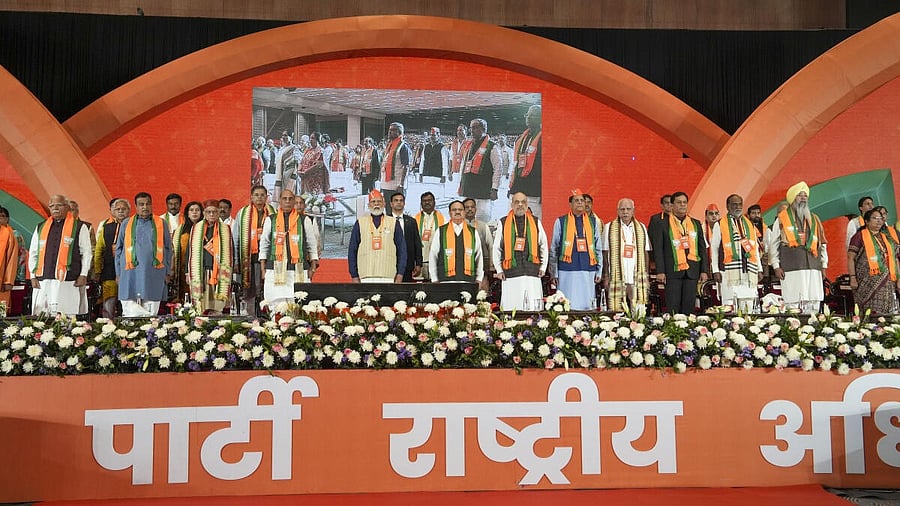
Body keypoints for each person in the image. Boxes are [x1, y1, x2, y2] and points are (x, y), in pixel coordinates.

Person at [768, 181, 828, 313]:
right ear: (792, 199)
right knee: (793, 301)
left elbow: (822, 245)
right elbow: (774, 244)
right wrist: (776, 266)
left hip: (813, 266)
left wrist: (824, 265)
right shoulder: (781, 219)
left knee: (813, 300)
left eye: (805, 195)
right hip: (791, 267)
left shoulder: (815, 219)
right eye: (799, 195)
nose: (803, 198)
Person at [28, 195, 92, 316]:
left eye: (59, 205)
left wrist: (83, 274)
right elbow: (33, 253)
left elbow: (87, 253)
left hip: (68, 279)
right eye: (52, 206)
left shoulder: (79, 227)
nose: (55, 208)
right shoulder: (41, 227)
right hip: (44, 278)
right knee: (42, 315)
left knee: (66, 315)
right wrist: (32, 275)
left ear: (67, 207)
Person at [115, 193, 173, 317]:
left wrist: (167, 272)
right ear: (136, 207)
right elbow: (119, 249)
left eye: (147, 204)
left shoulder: (161, 223)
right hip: (130, 273)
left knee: (151, 312)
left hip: (154, 272)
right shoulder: (126, 223)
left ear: (152, 205)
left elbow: (168, 249)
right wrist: (118, 273)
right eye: (141, 204)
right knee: (129, 307)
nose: (145, 207)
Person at [259, 190, 319, 309]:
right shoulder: (271, 220)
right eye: (284, 199)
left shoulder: (304, 220)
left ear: (294, 202)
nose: (287, 201)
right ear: (280, 201)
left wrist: (313, 267)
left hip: (299, 269)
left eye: (290, 199)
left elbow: (311, 245)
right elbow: (264, 245)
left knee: (298, 305)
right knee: (275, 306)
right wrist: (263, 269)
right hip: (274, 269)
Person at [651, 191, 708, 314]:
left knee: (689, 308)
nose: (682, 205)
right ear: (672, 206)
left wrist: (704, 270)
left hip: (692, 271)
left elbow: (702, 248)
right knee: (673, 308)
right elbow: (658, 249)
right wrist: (660, 271)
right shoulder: (661, 224)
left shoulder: (695, 223)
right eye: (679, 202)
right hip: (672, 272)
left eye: (684, 202)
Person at [492, 192, 548, 310]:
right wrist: (499, 269)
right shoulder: (503, 222)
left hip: (532, 272)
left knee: (533, 308)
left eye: (523, 202)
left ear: (527, 205)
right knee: (512, 307)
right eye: (517, 202)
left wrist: (543, 267)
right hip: (511, 273)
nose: (520, 205)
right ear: (512, 204)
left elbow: (543, 245)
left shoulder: (536, 221)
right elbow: (497, 248)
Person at [549, 190, 603, 310]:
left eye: (582, 201)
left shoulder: (593, 222)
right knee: (566, 304)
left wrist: (599, 270)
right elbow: (554, 248)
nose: (580, 203)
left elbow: (598, 248)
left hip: (588, 270)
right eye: (576, 200)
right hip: (566, 270)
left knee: (587, 305)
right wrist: (554, 273)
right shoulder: (560, 221)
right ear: (570, 204)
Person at [709, 194, 762, 311]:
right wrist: (716, 270)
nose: (738, 207)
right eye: (734, 204)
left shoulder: (749, 224)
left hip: (749, 270)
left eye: (740, 204)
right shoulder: (720, 224)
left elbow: (755, 249)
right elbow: (714, 249)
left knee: (749, 302)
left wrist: (759, 269)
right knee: (730, 304)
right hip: (728, 273)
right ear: (728, 206)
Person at [232, 185, 275, 316]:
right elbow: (236, 238)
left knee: (263, 289)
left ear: (266, 197)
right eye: (256, 195)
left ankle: (264, 315)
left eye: (262, 195)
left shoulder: (273, 213)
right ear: (251, 197)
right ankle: (248, 316)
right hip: (248, 257)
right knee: (247, 291)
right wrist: (236, 261)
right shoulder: (243, 213)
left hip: (266, 258)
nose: (259, 198)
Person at [602, 198, 651, 314]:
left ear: (633, 211)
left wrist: (646, 275)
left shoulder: (641, 228)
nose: (625, 212)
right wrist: (606, 276)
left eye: (628, 209)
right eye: (622, 209)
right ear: (617, 211)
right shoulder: (609, 227)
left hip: (636, 276)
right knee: (617, 312)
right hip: (616, 276)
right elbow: (605, 253)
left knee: (638, 310)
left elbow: (646, 252)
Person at [848, 209, 900, 314]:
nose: (878, 221)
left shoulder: (887, 238)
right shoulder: (859, 236)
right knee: (869, 312)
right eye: (875, 218)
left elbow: (895, 259)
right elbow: (850, 258)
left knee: (887, 313)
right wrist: (852, 277)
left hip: (888, 282)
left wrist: (899, 278)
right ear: (866, 221)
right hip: (865, 282)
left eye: (880, 218)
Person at [348, 190, 406, 283]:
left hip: (388, 275)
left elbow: (402, 250)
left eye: (379, 201)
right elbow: (352, 250)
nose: (376, 204)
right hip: (365, 275)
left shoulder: (394, 222)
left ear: (384, 204)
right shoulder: (360, 223)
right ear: (368, 205)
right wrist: (354, 275)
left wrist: (400, 274)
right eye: (373, 201)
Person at [186, 200, 233, 314]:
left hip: (219, 272)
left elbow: (231, 251)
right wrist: (187, 273)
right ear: (204, 213)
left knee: (217, 306)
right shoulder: (196, 228)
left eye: (214, 212)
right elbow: (189, 251)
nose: (211, 215)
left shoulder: (225, 229)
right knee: (202, 305)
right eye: (209, 212)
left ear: (218, 213)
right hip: (201, 272)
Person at [429, 200, 484, 284]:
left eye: (460, 209)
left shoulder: (473, 232)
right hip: (445, 281)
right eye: (454, 210)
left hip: (468, 281)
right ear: (450, 213)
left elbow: (479, 257)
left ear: (464, 212)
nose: (457, 212)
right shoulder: (441, 231)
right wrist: (434, 279)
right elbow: (433, 256)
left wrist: (479, 278)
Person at [458, 118, 501, 223]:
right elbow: (463, 166)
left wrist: (494, 188)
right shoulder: (468, 145)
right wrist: (461, 184)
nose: (472, 130)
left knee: (482, 222)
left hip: (484, 192)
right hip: (468, 189)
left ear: (483, 129)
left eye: (475, 128)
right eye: (471, 128)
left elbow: (498, 168)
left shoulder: (492, 146)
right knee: (467, 221)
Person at [93, 198, 130, 318]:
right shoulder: (106, 228)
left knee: (128, 305)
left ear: (129, 211)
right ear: (112, 211)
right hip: (109, 273)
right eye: (117, 209)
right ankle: (108, 329)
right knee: (109, 305)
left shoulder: (134, 226)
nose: (120, 212)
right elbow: (99, 251)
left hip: (130, 273)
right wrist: (97, 271)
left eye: (123, 209)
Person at [509, 105, 543, 218]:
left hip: (535, 190)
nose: (528, 118)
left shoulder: (545, 137)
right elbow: (515, 164)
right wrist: (511, 186)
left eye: (532, 115)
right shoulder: (521, 138)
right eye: (527, 115)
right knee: (514, 221)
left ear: (541, 118)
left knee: (534, 223)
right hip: (518, 187)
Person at [171, 201, 203, 303]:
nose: (194, 213)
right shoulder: (180, 230)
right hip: (183, 269)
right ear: (187, 213)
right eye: (192, 210)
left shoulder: (205, 229)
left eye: (197, 210)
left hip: (200, 269)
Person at [389, 192, 423, 282]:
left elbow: (417, 244)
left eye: (401, 200)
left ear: (404, 203)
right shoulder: (385, 220)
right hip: (389, 263)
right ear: (391, 204)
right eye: (396, 200)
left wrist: (418, 264)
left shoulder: (411, 221)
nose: (399, 202)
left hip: (408, 264)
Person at [463, 198, 494, 292]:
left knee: (482, 296)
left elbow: (490, 246)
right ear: (462, 210)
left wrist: (491, 265)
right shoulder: (458, 226)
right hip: (463, 268)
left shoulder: (483, 226)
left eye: (472, 207)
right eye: (467, 207)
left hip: (482, 268)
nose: (470, 209)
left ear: (476, 209)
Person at [414, 192, 445, 281]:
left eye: (429, 200)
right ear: (421, 203)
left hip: (436, 261)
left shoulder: (443, 219)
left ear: (434, 202)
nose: (427, 203)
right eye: (424, 201)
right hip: (420, 262)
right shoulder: (414, 219)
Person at [381, 123, 411, 196]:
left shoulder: (403, 147)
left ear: (399, 132)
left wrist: (402, 184)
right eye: (389, 130)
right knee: (387, 207)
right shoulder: (389, 145)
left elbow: (406, 166)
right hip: (386, 185)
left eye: (393, 130)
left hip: (397, 186)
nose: (390, 132)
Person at [0, 206, 19, 313]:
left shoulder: (9, 234)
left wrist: (8, 281)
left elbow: (12, 258)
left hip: (2, 280)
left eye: (2, 216)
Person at [274, 131, 300, 196]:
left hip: (290, 174)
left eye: (286, 135)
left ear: (291, 137)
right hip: (281, 174)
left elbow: (298, 160)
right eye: (283, 135)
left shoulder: (294, 148)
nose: (283, 137)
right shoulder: (281, 148)